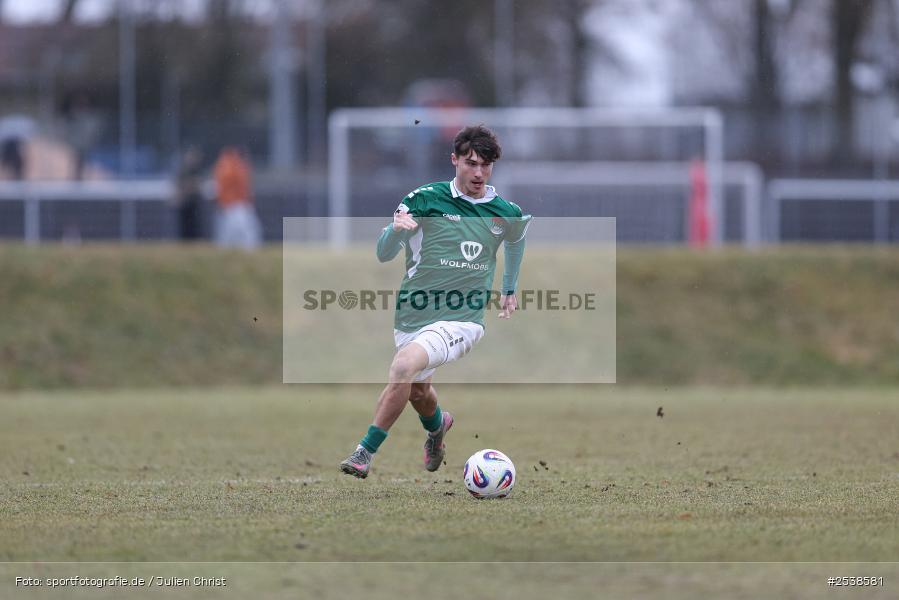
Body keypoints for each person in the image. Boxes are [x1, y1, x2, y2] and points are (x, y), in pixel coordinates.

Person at [339, 125, 531, 479]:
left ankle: (364, 452)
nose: (478, 172)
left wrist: (509, 287)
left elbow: (517, 238)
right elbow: (383, 254)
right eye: (471, 163)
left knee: (401, 368)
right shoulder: (424, 199)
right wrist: (394, 231)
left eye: (486, 165)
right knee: (417, 391)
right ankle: (437, 426)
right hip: (412, 313)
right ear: (454, 160)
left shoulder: (505, 211)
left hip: (463, 318)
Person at [213, 146, 261, 249]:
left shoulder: (224, 165)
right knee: (249, 238)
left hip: (228, 207)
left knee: (227, 240)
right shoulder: (234, 166)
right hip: (236, 207)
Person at [174, 147, 205, 241]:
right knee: (185, 231)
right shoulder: (183, 171)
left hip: (194, 206)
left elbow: (198, 186)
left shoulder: (197, 171)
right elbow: (180, 188)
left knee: (194, 231)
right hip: (185, 206)